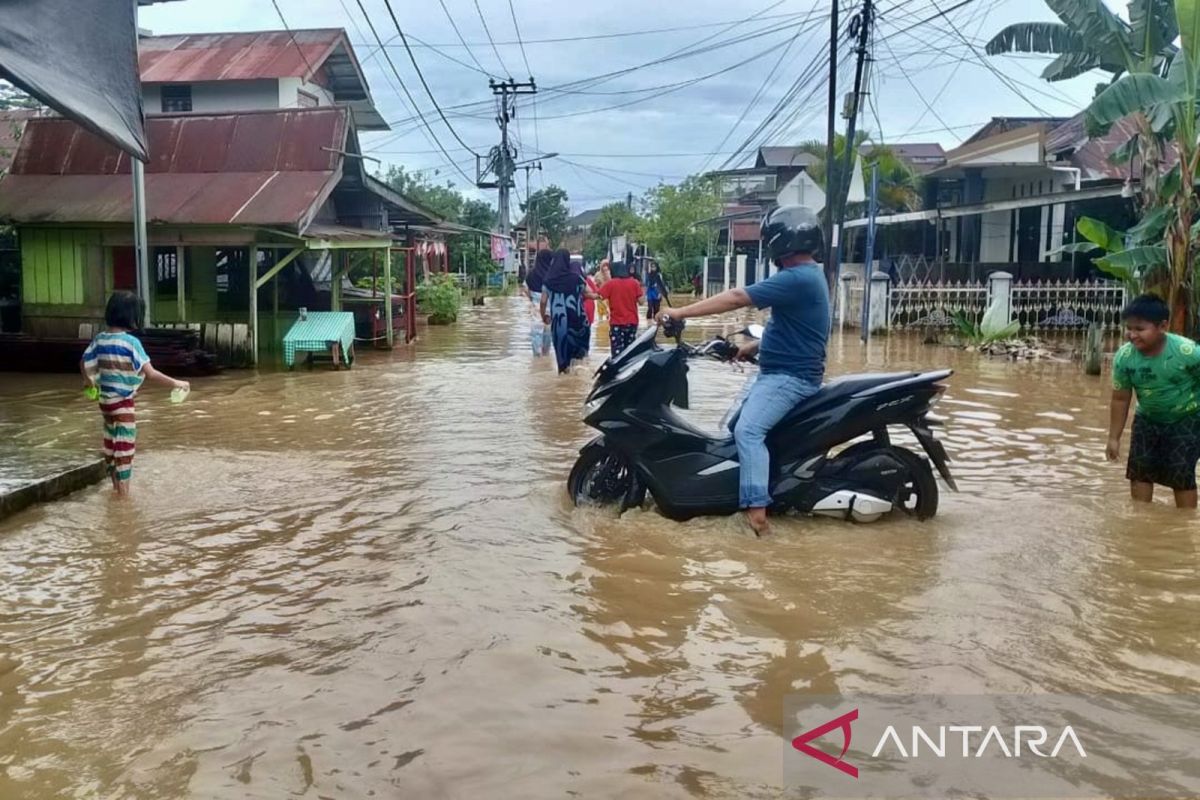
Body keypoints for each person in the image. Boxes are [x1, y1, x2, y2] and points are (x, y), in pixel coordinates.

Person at [660, 206, 829, 535]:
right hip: (782, 371)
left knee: (747, 432)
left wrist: (681, 312)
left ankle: (756, 513)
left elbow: (737, 297)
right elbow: (795, 330)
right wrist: (747, 349)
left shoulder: (797, 278)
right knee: (736, 426)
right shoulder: (807, 277)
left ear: (781, 241)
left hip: (789, 378)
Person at [80, 291, 190, 495]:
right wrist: (176, 382)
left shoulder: (100, 340)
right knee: (125, 450)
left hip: (105, 404)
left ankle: (115, 489)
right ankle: (123, 497)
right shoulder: (131, 343)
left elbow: (84, 364)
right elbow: (150, 373)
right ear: (132, 317)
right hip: (123, 405)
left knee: (112, 446)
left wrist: (90, 385)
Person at [1106, 294, 1200, 508]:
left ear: (1163, 326)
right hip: (1147, 418)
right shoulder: (1125, 358)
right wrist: (1114, 437)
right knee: (1139, 472)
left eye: (1140, 329)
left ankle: (1184, 524)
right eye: (1129, 328)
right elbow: (1120, 399)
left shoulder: (1187, 352)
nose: (1132, 335)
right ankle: (1141, 520)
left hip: (1187, 418)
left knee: (1181, 474)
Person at [540, 249, 596, 373]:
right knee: (579, 361)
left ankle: (564, 386)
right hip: (579, 323)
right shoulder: (576, 278)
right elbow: (588, 293)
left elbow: (543, 301)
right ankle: (577, 387)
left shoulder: (548, 281)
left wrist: (543, 315)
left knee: (563, 361)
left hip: (560, 324)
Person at [598, 260, 643, 357]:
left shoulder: (611, 284)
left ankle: (618, 371)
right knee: (630, 352)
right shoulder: (634, 283)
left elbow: (599, 296)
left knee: (617, 354)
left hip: (617, 323)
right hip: (632, 323)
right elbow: (641, 302)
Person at [524, 250, 553, 357]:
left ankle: (537, 357)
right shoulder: (552, 275)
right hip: (549, 308)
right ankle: (546, 355)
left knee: (536, 332)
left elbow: (525, 288)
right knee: (548, 333)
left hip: (536, 308)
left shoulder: (532, 274)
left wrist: (531, 297)